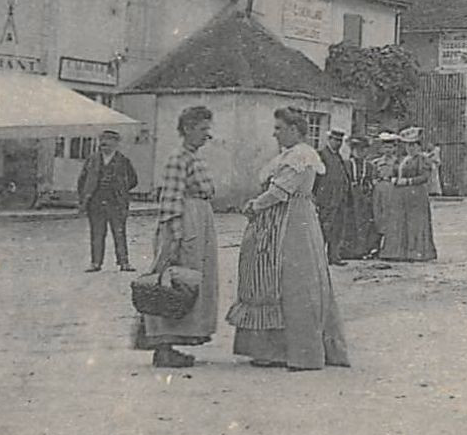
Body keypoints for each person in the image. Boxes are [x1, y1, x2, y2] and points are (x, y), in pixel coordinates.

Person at [227, 107, 351, 371]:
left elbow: (279, 191)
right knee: (272, 281)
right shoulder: (288, 155)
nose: (275, 133)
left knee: (295, 282)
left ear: (294, 130)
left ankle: (302, 353)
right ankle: (274, 350)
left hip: (294, 221)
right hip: (280, 221)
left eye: (279, 128)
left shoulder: (303, 156)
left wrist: (254, 206)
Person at [133, 106, 219, 368]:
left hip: (198, 224)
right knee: (172, 282)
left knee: (189, 285)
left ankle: (173, 343)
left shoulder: (193, 157)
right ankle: (162, 346)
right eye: (203, 129)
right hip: (184, 227)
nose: (207, 135)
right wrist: (176, 238)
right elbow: (170, 203)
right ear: (188, 129)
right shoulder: (178, 158)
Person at [373, 128, 439, 261]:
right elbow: (393, 172)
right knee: (399, 222)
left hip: (416, 194)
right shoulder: (402, 159)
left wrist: (408, 181)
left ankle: (416, 252)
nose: (411, 148)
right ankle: (397, 252)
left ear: (419, 146)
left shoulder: (423, 159)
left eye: (413, 145)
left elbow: (425, 177)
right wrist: (393, 179)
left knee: (415, 223)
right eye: (408, 145)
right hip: (400, 195)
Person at [76, 129, 137, 272]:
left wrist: (121, 190)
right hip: (96, 202)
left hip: (116, 202)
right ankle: (96, 263)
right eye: (103, 142)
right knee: (97, 233)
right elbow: (82, 180)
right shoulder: (92, 160)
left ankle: (124, 262)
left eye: (109, 142)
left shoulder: (123, 161)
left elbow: (133, 180)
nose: (105, 145)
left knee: (119, 232)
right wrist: (85, 197)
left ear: (116, 144)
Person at [313, 128, 351, 265]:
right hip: (326, 199)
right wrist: (315, 197)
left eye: (340, 141)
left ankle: (334, 256)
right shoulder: (321, 155)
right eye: (335, 140)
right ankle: (318, 258)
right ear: (329, 140)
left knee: (337, 229)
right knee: (323, 229)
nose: (338, 143)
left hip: (339, 199)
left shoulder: (339, 157)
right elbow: (315, 178)